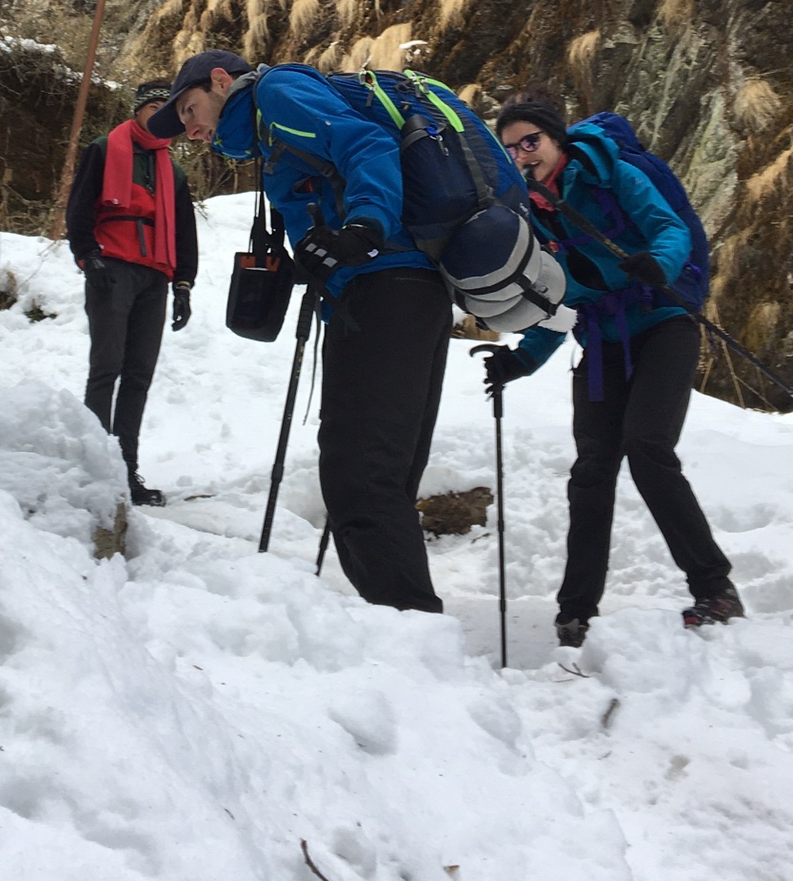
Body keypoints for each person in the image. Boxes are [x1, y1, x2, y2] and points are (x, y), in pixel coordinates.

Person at [148, 51, 451, 614]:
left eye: (190, 108)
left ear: (220, 81)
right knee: (380, 474)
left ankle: (410, 630)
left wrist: (363, 227)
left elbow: (366, 145)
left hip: (384, 285)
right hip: (397, 291)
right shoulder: (268, 135)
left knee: (356, 475)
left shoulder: (276, 95)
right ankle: (411, 627)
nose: (191, 128)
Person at [484, 96, 741, 646]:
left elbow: (667, 228)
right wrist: (521, 359)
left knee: (647, 447)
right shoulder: (529, 214)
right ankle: (576, 610)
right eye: (510, 148)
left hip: (664, 321)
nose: (522, 154)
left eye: (531, 141)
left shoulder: (612, 175)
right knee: (592, 470)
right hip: (601, 340)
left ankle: (715, 588)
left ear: (556, 140)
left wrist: (660, 265)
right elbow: (554, 299)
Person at [65, 80, 198, 507]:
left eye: (169, 111)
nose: (162, 117)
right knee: (106, 367)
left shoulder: (172, 171)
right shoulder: (104, 149)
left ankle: (126, 468)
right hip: (112, 267)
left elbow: (183, 234)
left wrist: (183, 285)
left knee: (139, 374)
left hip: (154, 275)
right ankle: (95, 467)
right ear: (139, 110)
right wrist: (88, 255)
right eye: (155, 107)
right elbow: (80, 207)